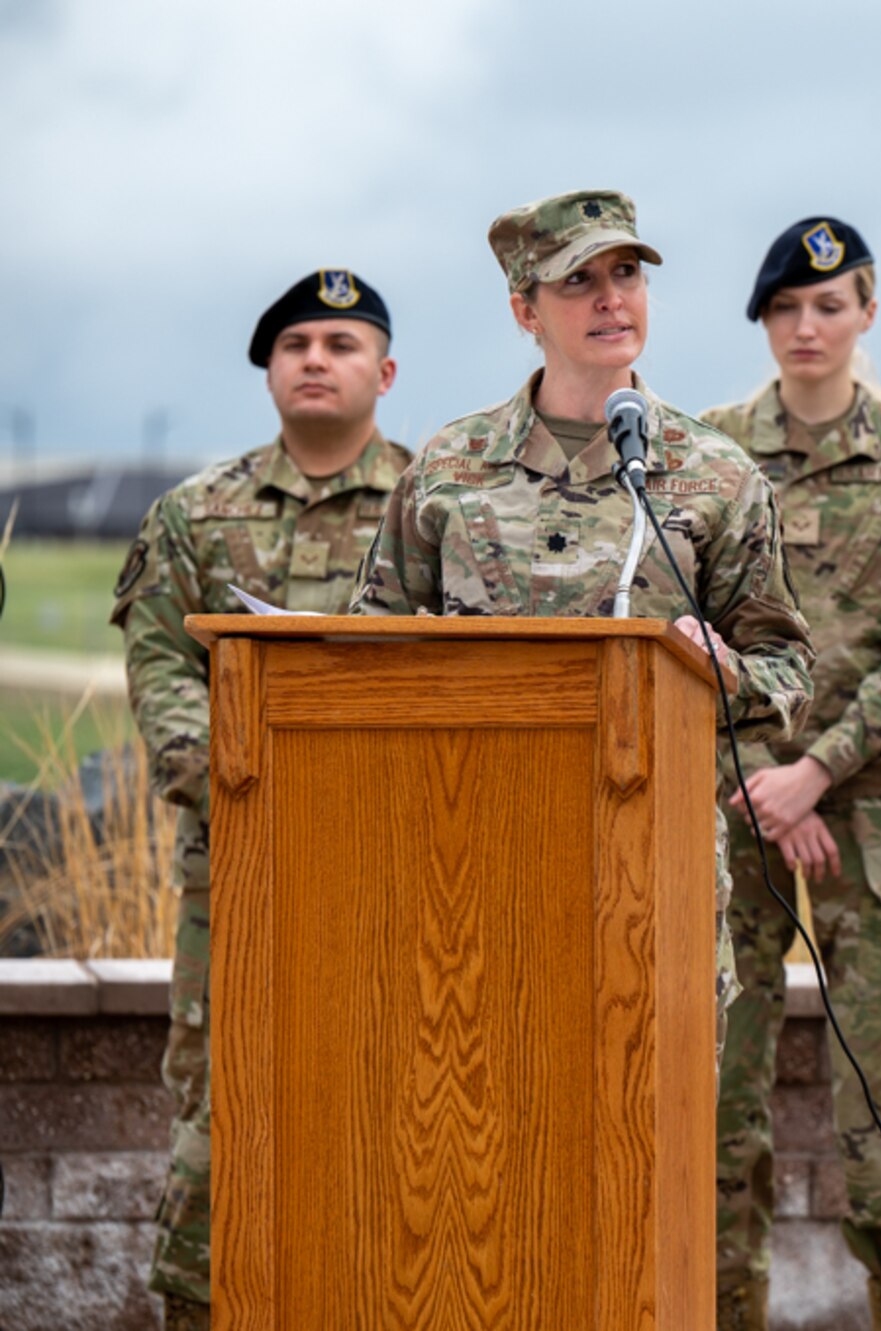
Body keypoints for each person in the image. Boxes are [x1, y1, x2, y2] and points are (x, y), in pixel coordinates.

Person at [350, 189, 815, 1065]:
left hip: (652, 873)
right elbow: (365, 655)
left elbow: (786, 667)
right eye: (579, 281)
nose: (612, 298)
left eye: (627, 273)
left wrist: (726, 675)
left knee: (647, 1161)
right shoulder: (450, 471)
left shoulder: (715, 475)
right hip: (471, 869)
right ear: (526, 310)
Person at [112, 269, 412, 1331]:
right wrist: (246, 783)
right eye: (295, 344)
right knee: (223, 1122)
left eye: (340, 341)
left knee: (397, 1122)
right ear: (269, 373)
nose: (316, 359)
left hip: (401, 877)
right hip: (240, 871)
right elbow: (161, 675)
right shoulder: (196, 517)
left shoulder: (439, 509)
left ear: (385, 369)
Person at [702, 217, 881, 1331]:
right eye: (784, 309)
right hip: (732, 808)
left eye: (827, 306)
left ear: (866, 312)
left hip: (877, 809)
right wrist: (766, 776)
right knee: (720, 1096)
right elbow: (682, 625)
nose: (804, 327)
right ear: (763, 321)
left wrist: (817, 771)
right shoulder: (708, 453)